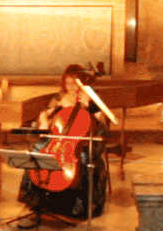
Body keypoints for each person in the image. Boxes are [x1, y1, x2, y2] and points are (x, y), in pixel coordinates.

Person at [18, 65, 109, 221]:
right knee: (38, 149)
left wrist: (91, 106)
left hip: (85, 141)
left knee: (82, 159)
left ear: (82, 82)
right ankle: (38, 198)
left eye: (75, 82)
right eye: (68, 83)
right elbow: (44, 113)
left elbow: (104, 123)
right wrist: (44, 120)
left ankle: (73, 206)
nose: (71, 87)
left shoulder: (92, 97)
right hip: (60, 138)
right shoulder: (60, 97)